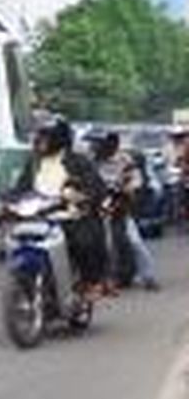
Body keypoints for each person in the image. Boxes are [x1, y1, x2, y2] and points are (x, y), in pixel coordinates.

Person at [12, 116, 109, 297]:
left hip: (69, 216)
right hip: (38, 217)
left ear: (58, 139)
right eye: (38, 136)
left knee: (84, 242)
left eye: (44, 137)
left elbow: (97, 188)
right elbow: (21, 187)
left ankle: (91, 281)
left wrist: (80, 196)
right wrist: (10, 201)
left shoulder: (78, 162)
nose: (39, 141)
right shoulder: (34, 163)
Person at [92, 132, 159, 291]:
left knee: (135, 242)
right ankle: (105, 279)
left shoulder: (124, 160)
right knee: (104, 244)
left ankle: (148, 277)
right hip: (99, 208)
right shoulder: (93, 162)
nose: (96, 147)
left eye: (100, 143)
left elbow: (136, 180)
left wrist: (126, 188)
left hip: (120, 206)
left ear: (112, 145)